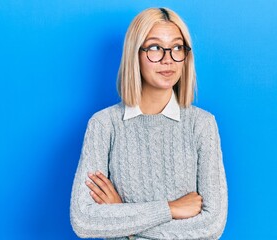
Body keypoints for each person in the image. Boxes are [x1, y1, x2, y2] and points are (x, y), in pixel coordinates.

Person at [70, 7, 228, 240]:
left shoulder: (202, 125)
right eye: (155, 47)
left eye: (177, 47)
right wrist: (170, 208)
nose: (168, 59)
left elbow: (211, 225)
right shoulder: (104, 125)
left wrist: (120, 216)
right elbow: (84, 220)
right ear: (135, 54)